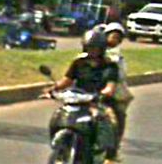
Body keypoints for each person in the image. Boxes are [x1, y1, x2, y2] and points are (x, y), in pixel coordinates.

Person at [44, 29, 119, 164]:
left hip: (98, 102)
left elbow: (110, 86)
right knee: (58, 115)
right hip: (78, 100)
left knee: (107, 120)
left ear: (102, 49)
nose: (92, 51)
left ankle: (108, 156)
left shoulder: (110, 66)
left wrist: (104, 93)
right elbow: (67, 81)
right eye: (90, 47)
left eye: (96, 48)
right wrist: (53, 89)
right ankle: (60, 148)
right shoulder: (79, 62)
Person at [104, 22, 134, 159]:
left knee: (118, 117)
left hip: (111, 92)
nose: (113, 40)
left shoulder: (118, 58)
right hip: (90, 90)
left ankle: (112, 152)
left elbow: (121, 75)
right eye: (112, 36)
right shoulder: (91, 52)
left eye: (117, 37)